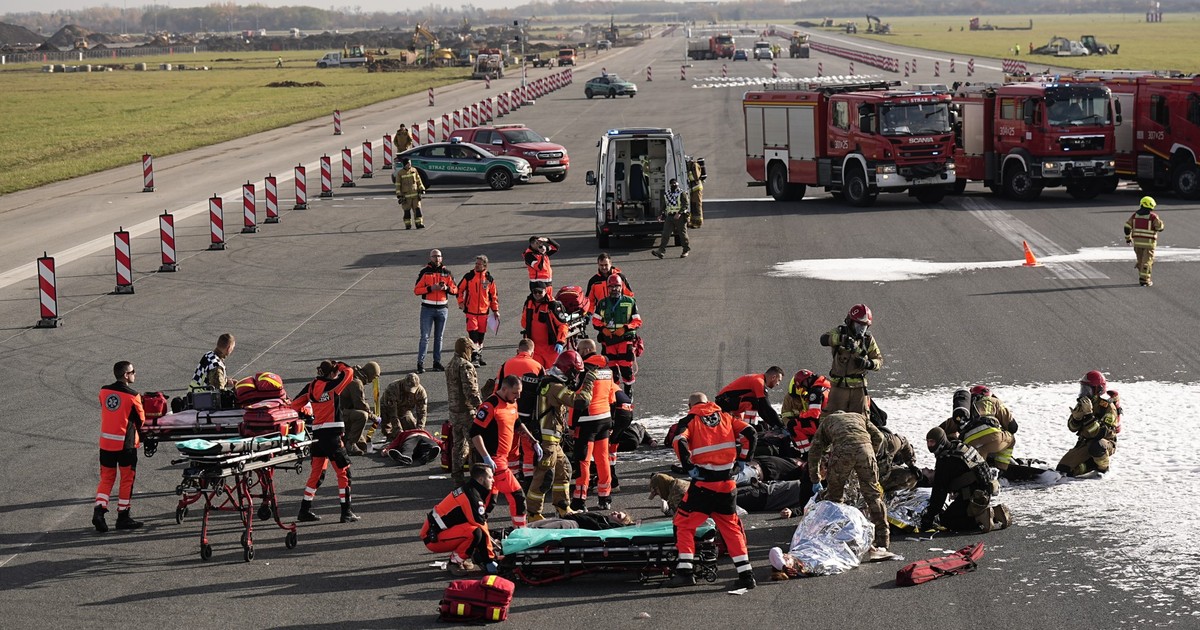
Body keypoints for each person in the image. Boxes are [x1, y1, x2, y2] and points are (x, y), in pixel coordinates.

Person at [669, 392, 758, 589]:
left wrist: (689, 468)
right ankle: (746, 575)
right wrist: (743, 461)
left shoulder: (690, 420)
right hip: (727, 484)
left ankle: (685, 571)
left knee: (683, 523)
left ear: (690, 405)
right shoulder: (726, 417)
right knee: (731, 528)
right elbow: (751, 433)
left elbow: (679, 441)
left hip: (703, 485)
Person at [807, 410, 890, 557]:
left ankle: (836, 539)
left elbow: (814, 451)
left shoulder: (827, 421)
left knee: (835, 498)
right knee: (873, 496)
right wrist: (870, 454)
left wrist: (815, 478)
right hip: (866, 450)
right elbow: (879, 437)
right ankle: (883, 542)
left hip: (842, 451)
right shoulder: (859, 417)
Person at [292, 360, 359, 523]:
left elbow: (294, 405)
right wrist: (340, 365)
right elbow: (349, 373)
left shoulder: (311, 387)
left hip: (317, 436)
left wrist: (306, 414)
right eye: (334, 372)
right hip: (333, 437)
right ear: (331, 373)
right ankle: (346, 512)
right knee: (344, 472)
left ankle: (304, 510)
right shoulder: (333, 385)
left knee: (317, 474)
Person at [470, 375, 538, 528]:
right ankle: (521, 532)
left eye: (519, 392)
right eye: (515, 393)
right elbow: (474, 433)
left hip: (502, 458)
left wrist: (533, 441)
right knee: (517, 496)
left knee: (488, 502)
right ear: (504, 389)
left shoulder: (512, 402)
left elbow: (517, 423)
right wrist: (486, 457)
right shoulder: (490, 405)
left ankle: (475, 529)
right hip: (494, 460)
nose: (518, 396)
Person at [526, 350, 584, 521]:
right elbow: (578, 402)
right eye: (575, 373)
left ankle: (562, 507)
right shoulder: (555, 387)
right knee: (544, 476)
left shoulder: (554, 382)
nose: (576, 377)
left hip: (553, 441)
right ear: (567, 370)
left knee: (564, 469)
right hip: (547, 441)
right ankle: (533, 513)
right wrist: (589, 381)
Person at [920, 427, 1012, 533]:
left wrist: (929, 517)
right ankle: (994, 514)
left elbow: (939, 492)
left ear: (940, 441)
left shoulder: (945, 459)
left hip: (972, 496)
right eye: (928, 442)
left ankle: (980, 518)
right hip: (983, 491)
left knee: (947, 520)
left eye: (932, 442)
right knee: (956, 510)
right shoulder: (959, 447)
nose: (929, 445)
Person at [93, 361, 146, 532]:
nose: (134, 374)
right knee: (126, 479)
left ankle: (99, 512)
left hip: (106, 444)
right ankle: (123, 516)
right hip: (126, 445)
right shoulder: (133, 395)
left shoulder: (104, 391)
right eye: (133, 371)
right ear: (126, 375)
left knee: (106, 479)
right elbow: (141, 420)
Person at [421, 463, 499, 576]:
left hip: (436, 531)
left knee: (476, 531)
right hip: (433, 538)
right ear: (481, 479)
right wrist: (489, 560)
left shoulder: (471, 489)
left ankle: (466, 555)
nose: (493, 481)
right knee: (475, 533)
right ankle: (454, 562)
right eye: (490, 477)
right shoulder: (472, 497)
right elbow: (481, 527)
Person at [570, 339, 617, 511]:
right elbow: (612, 397)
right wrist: (611, 420)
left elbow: (577, 400)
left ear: (588, 350)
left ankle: (579, 500)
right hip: (604, 418)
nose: (578, 352)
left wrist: (570, 426)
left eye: (580, 349)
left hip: (586, 421)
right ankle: (605, 497)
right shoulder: (607, 369)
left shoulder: (584, 370)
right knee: (602, 459)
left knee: (583, 461)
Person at [819, 304, 882, 416]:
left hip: (859, 388)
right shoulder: (839, 332)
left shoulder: (868, 340)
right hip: (839, 388)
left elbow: (879, 361)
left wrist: (867, 363)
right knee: (831, 419)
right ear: (850, 322)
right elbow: (823, 339)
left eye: (863, 327)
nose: (860, 330)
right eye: (858, 325)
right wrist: (841, 340)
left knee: (861, 420)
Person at [495, 339, 545, 480]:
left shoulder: (506, 365)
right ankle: (529, 477)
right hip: (529, 414)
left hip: (508, 413)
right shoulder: (538, 366)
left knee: (511, 447)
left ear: (518, 350)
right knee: (528, 447)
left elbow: (497, 389)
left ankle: (512, 475)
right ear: (532, 352)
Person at [938, 385, 1017, 473]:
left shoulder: (965, 412)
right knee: (1011, 439)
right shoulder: (993, 401)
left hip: (970, 445)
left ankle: (982, 470)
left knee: (981, 454)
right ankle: (1001, 469)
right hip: (993, 437)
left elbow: (939, 431)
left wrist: (952, 438)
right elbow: (1013, 427)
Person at [1057, 370, 1120, 477]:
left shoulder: (1107, 407)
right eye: (1083, 389)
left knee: (1096, 447)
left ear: (1098, 390)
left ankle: (1103, 468)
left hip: (1104, 443)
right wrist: (1076, 419)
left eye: (1087, 389)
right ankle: (1091, 465)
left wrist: (1089, 414)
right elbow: (1072, 428)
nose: (1084, 392)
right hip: (1085, 443)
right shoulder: (1083, 404)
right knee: (1064, 470)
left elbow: (1098, 434)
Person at [591, 275, 642, 394]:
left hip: (625, 340)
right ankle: (615, 392)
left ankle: (628, 390)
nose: (614, 289)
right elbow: (595, 320)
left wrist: (625, 328)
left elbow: (637, 321)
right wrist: (603, 329)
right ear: (608, 288)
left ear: (621, 287)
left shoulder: (630, 302)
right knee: (611, 367)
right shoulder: (603, 303)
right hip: (608, 340)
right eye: (611, 287)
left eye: (617, 286)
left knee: (626, 367)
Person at [446, 336, 483, 486]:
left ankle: (457, 477)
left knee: (458, 445)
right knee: (474, 446)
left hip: (453, 411)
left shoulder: (450, 365)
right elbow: (470, 391)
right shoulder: (465, 366)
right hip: (467, 412)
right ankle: (476, 478)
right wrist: (481, 407)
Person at [414, 249, 456, 373]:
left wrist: (446, 288)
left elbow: (456, 290)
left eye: (438, 256)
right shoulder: (425, 272)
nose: (436, 258)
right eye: (434, 256)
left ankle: (436, 362)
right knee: (424, 337)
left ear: (441, 258)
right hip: (427, 308)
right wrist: (430, 288)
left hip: (442, 309)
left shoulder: (447, 273)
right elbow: (416, 290)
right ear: (430, 258)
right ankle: (420, 363)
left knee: (439, 337)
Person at [457, 255, 499, 366]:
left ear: (484, 265)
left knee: (481, 337)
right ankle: (474, 356)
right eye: (476, 263)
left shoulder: (489, 279)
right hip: (471, 311)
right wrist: (461, 303)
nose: (476, 265)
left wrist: (495, 310)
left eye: (479, 264)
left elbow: (493, 296)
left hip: (484, 312)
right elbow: (459, 290)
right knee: (473, 335)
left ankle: (478, 355)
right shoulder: (469, 276)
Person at [715, 367, 785, 431]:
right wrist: (781, 425)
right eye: (778, 380)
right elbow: (767, 407)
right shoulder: (759, 382)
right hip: (723, 401)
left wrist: (773, 424)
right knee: (753, 403)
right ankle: (750, 427)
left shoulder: (758, 379)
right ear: (773, 377)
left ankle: (747, 427)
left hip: (728, 400)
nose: (778, 384)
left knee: (755, 403)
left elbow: (762, 408)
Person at [781, 369, 830, 456]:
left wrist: (801, 415)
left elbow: (814, 414)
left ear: (805, 381)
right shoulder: (825, 385)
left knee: (793, 426)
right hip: (829, 420)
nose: (803, 389)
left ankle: (807, 454)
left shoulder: (815, 391)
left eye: (802, 386)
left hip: (823, 424)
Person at [520, 284, 568, 369]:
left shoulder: (552, 305)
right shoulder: (529, 303)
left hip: (551, 348)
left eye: (540, 292)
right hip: (535, 348)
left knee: (552, 373)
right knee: (536, 371)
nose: (537, 294)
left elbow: (563, 325)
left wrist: (560, 341)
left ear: (545, 291)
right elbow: (524, 322)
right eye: (535, 292)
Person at [339, 361, 381, 455]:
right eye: (374, 377)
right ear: (370, 374)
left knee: (363, 446)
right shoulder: (356, 383)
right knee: (362, 416)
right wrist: (375, 418)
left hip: (341, 411)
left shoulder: (353, 376)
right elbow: (360, 405)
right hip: (339, 414)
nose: (371, 381)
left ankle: (348, 439)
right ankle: (350, 444)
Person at [1124, 195, 1165, 286]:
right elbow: (1160, 228)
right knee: (1147, 262)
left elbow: (1127, 227)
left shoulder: (1135, 215)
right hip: (1149, 244)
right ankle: (1145, 280)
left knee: (1140, 261)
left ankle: (1142, 276)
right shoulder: (1153, 217)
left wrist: (1128, 239)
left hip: (1137, 244)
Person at [377, 372, 427, 441]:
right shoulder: (393, 388)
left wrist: (420, 429)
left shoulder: (421, 392)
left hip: (405, 408)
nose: (409, 392)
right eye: (408, 388)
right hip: (387, 407)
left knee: (412, 429)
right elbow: (392, 414)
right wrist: (398, 430)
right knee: (392, 430)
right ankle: (390, 437)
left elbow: (422, 412)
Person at [651, 178, 690, 259]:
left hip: (680, 216)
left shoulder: (682, 193)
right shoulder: (667, 194)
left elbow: (685, 204)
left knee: (682, 234)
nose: (674, 185)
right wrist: (660, 214)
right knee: (665, 234)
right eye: (673, 184)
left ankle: (685, 250)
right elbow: (664, 205)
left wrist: (679, 213)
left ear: (678, 184)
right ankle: (661, 251)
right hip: (670, 216)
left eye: (675, 184)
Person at [395, 157, 425, 230]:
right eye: (408, 163)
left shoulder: (414, 170)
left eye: (410, 163)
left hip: (415, 195)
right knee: (407, 212)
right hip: (406, 197)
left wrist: (422, 189)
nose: (409, 165)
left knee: (418, 210)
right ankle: (408, 225)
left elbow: (418, 180)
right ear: (405, 164)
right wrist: (399, 195)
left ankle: (419, 223)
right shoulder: (400, 173)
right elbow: (398, 185)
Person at [686, 157, 705, 229]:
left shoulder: (694, 165)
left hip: (696, 188)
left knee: (697, 205)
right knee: (693, 205)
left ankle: (699, 223)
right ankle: (693, 222)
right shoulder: (691, 166)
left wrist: (689, 175)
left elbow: (696, 177)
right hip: (693, 189)